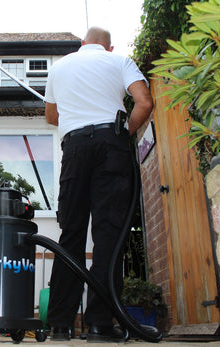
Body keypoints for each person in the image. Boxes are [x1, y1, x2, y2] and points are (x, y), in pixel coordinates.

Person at [44, 26, 153, 343]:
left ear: (82, 44)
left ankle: (61, 325)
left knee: (72, 234)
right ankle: (99, 324)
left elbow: (52, 117)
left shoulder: (60, 66)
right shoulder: (119, 60)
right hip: (111, 144)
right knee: (109, 235)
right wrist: (125, 133)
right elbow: (144, 103)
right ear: (109, 46)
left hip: (75, 148)